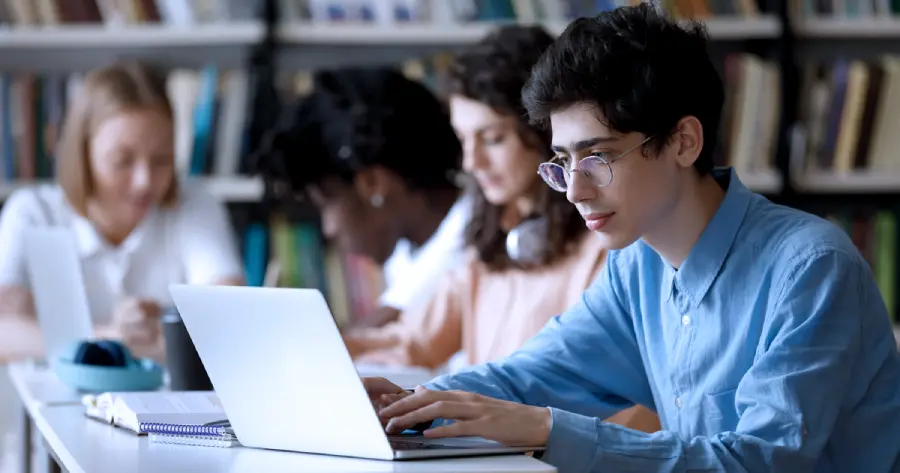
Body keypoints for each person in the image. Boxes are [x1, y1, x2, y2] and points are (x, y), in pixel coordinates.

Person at [364, 5, 900, 473]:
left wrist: (547, 430)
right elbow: (532, 377)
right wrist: (407, 403)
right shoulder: (636, 267)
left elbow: (761, 463)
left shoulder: (810, 268)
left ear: (684, 141)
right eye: (563, 160)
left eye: (597, 157)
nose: (573, 190)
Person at [343, 25, 660, 434]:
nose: (472, 162)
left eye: (491, 139)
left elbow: (634, 409)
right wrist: (322, 345)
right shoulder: (491, 244)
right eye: (463, 140)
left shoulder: (607, 245)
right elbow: (414, 341)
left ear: (546, 133)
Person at [0, 61, 244, 363]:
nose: (144, 182)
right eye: (122, 161)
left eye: (161, 160)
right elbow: (4, 332)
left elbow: (230, 316)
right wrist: (109, 337)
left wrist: (157, 326)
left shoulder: (194, 205)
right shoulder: (33, 212)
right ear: (83, 155)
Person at [256, 67, 470, 330]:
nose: (328, 229)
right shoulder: (406, 252)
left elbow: (381, 334)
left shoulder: (476, 239)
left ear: (374, 183)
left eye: (327, 204)